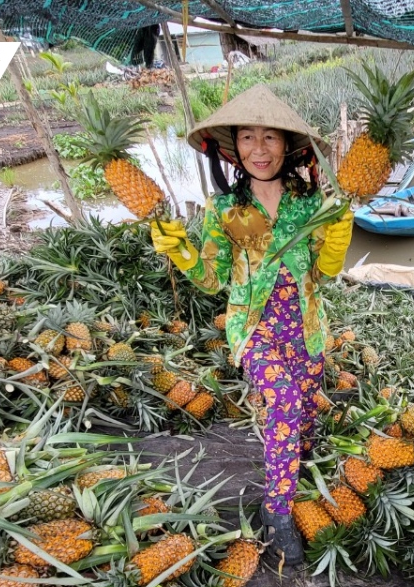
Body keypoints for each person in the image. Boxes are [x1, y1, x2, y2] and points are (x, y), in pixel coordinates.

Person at [149, 85, 353, 562]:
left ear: (287, 145)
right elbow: (210, 278)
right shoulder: (224, 209)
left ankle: (296, 462)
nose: (258, 150)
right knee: (281, 396)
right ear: (233, 147)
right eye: (246, 137)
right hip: (255, 326)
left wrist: (337, 242)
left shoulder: (311, 202)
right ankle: (276, 509)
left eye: (269, 138)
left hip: (305, 325)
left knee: (301, 413)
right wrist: (181, 251)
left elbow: (324, 271)